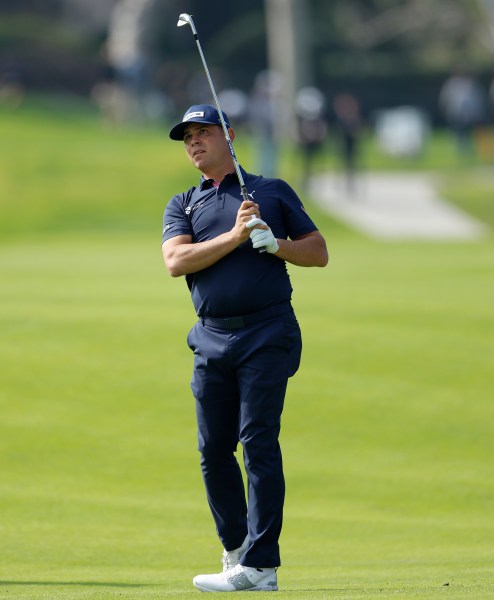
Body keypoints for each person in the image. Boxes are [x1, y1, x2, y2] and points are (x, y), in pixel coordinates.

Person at [161, 104, 329, 593]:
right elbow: (176, 261)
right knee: (213, 450)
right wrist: (236, 237)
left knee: (257, 440)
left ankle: (261, 565)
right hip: (210, 336)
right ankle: (235, 554)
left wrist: (274, 243)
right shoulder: (183, 204)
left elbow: (317, 252)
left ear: (228, 136)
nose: (193, 142)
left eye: (202, 133)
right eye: (186, 137)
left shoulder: (270, 192)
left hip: (267, 332)